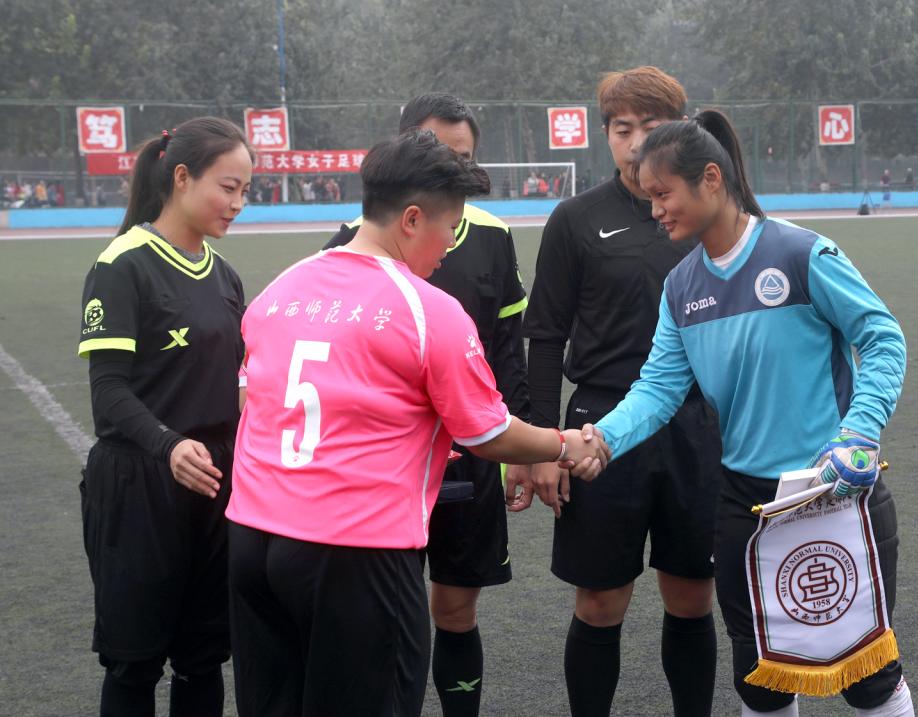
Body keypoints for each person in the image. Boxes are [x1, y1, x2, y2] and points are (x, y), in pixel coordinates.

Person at [227, 130, 609, 716]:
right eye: (449, 227)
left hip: (253, 538)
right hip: (355, 551)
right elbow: (488, 433)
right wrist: (562, 443)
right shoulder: (428, 309)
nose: (449, 245)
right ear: (411, 219)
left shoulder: (281, 288)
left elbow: (254, 401)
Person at [582, 111, 914, 716]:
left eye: (663, 193)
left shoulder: (801, 254)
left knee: (868, 677)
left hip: (833, 491)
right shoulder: (681, 287)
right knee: (761, 679)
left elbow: (883, 337)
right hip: (746, 504)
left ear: (711, 179)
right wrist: (601, 439)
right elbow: (658, 390)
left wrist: (860, 432)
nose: (655, 210)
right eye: (648, 196)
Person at [523, 66, 723, 717]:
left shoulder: (706, 216)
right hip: (599, 425)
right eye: (621, 128)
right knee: (600, 601)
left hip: (696, 424)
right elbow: (545, 337)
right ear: (605, 134)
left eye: (651, 125)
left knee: (692, 594)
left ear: (681, 127)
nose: (636, 141)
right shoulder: (575, 219)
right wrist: (545, 445)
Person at [323, 92, 530, 717]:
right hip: (385, 470)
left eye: (465, 157)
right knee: (387, 610)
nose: (455, 166)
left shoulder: (491, 236)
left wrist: (522, 449)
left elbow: (507, 351)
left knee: (455, 610)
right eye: (443, 152)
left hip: (473, 457)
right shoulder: (350, 243)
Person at [77, 117, 253, 717]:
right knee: (134, 662)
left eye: (245, 190)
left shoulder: (225, 276)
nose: (238, 203)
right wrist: (167, 444)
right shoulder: (122, 264)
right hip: (139, 483)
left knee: (203, 657)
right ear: (181, 177)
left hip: (213, 483)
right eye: (227, 187)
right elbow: (108, 390)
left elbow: (239, 382)